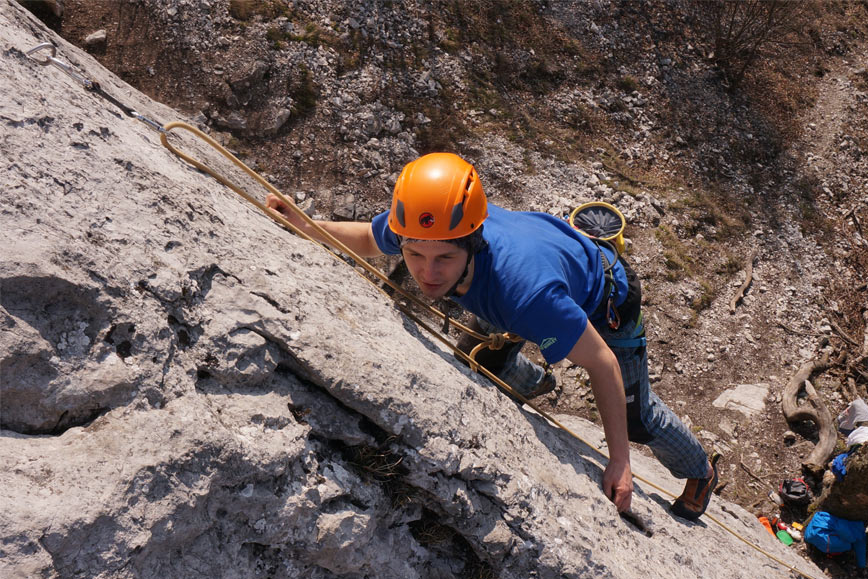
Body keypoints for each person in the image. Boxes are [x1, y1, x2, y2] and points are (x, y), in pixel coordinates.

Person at [267, 152, 717, 518]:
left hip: (606, 299)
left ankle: (700, 470)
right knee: (482, 362)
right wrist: (309, 227)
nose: (426, 273)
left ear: (473, 241)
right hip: (534, 266)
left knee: (636, 418)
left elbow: (602, 363)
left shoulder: (526, 296)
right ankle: (536, 381)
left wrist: (619, 460)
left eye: (443, 258)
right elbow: (370, 236)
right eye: (414, 255)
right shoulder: (432, 224)